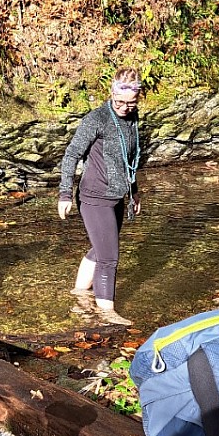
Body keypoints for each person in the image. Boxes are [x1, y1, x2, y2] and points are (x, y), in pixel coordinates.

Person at [57, 68, 143, 327]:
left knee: (101, 248)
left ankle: (80, 295)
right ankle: (107, 313)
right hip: (94, 197)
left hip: (117, 196)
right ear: (111, 94)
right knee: (109, 258)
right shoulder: (97, 119)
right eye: (120, 102)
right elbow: (71, 155)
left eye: (131, 103)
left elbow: (130, 160)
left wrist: (134, 192)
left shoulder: (132, 118)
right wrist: (64, 193)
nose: (125, 108)